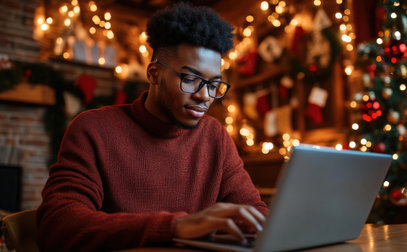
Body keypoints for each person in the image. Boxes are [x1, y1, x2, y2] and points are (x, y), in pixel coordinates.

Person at [36, 3, 268, 251]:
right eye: (190, 79)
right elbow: (58, 224)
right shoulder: (93, 129)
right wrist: (176, 226)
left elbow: (254, 212)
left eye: (214, 85)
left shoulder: (215, 137)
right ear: (155, 74)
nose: (205, 97)